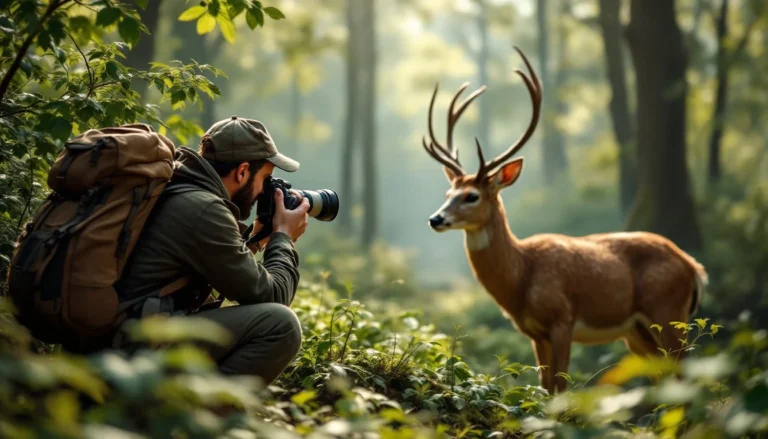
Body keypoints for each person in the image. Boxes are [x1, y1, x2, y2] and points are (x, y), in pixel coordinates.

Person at [113, 115, 310, 385]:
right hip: (131, 349)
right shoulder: (204, 208)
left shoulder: (177, 187)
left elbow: (221, 270)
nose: (266, 189)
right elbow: (273, 295)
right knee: (281, 326)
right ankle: (193, 420)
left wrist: (255, 240)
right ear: (242, 171)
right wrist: (283, 237)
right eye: (265, 178)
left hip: (118, 333)